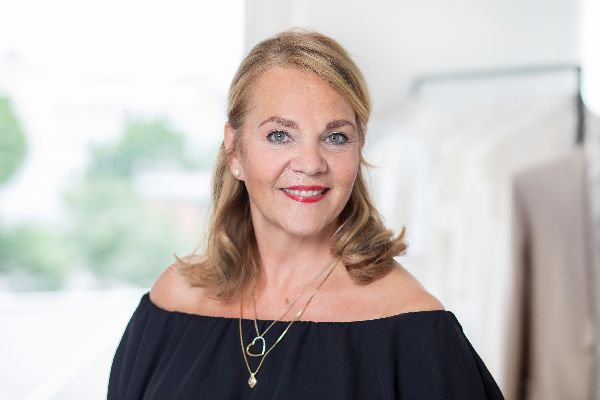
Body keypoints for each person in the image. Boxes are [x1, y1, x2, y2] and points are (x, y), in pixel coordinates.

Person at [108, 29, 504, 399]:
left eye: (336, 137)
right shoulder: (172, 302)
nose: (311, 163)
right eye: (280, 135)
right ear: (235, 150)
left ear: (359, 148)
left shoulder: (416, 331)